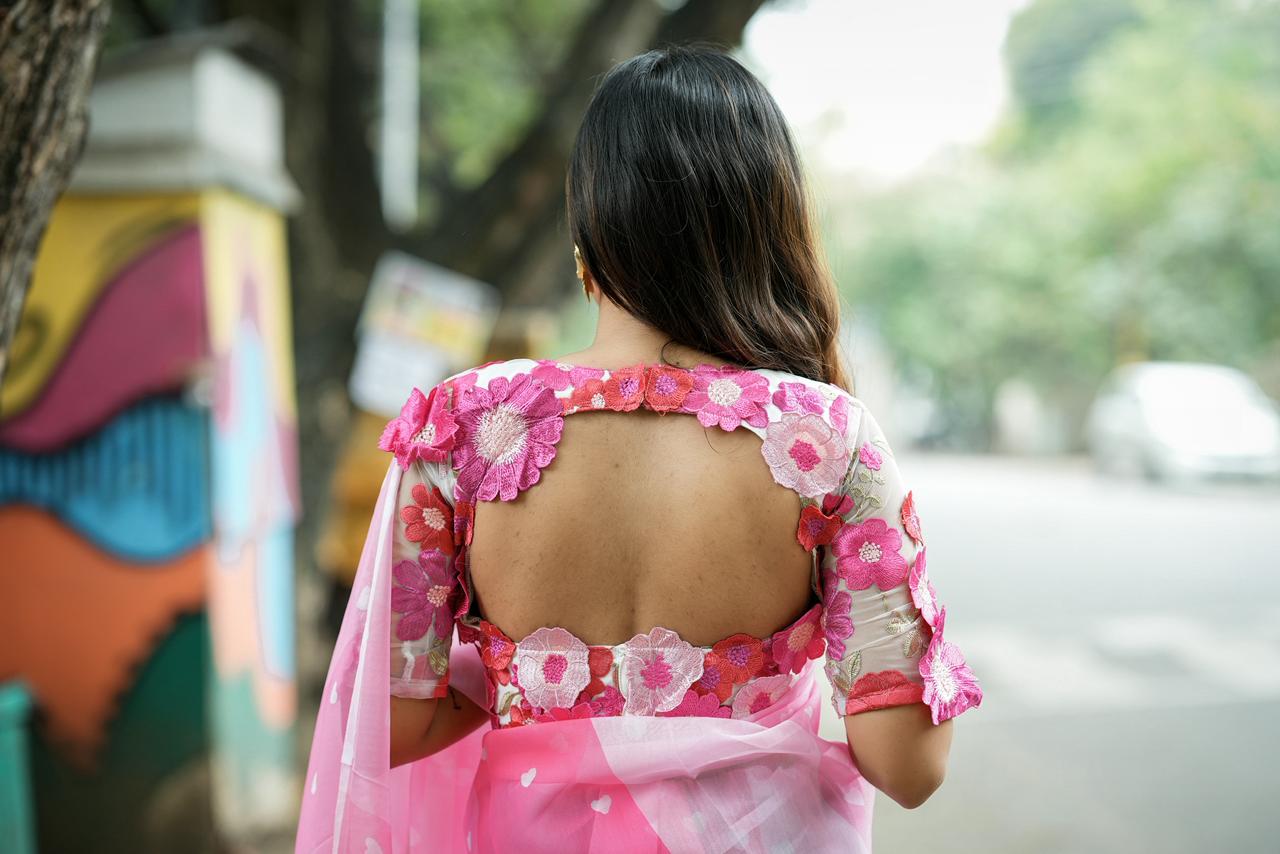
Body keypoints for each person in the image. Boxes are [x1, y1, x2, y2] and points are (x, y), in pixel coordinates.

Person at [297, 45, 982, 853]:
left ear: (587, 238)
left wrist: (534, 676)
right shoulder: (826, 436)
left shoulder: (460, 428)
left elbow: (391, 722)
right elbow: (906, 765)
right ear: (770, 232)